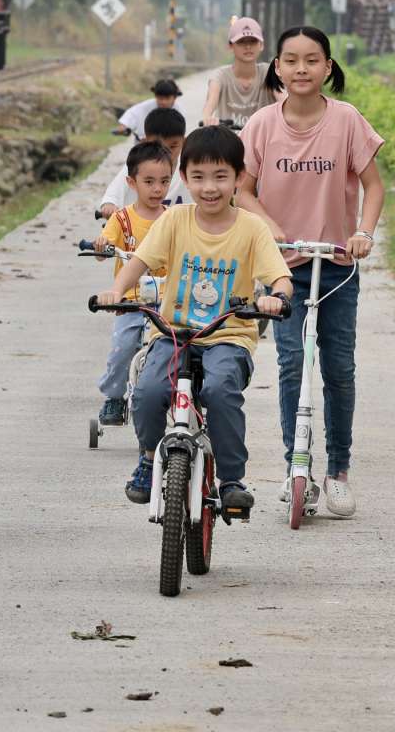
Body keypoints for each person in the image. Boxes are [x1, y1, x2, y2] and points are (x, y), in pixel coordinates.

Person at [100, 126, 292, 511]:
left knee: (221, 390)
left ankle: (232, 478)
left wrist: (277, 297)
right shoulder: (174, 220)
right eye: (199, 177)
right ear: (184, 179)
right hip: (173, 332)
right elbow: (139, 261)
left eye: (221, 177)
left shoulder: (252, 229)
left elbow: (280, 278)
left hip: (227, 335)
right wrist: (118, 290)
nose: (209, 188)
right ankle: (149, 459)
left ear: (239, 178)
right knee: (150, 391)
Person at [235, 25, 385, 520]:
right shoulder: (260, 125)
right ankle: (294, 465)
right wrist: (270, 227)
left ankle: (338, 471)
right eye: (291, 60)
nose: (302, 69)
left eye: (312, 60)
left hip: (337, 265)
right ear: (276, 67)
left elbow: (373, 185)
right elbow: (242, 189)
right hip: (283, 268)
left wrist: (363, 231)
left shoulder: (346, 121)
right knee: (293, 366)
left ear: (327, 67)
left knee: (339, 368)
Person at [90, 141, 176, 427]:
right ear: (131, 182)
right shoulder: (122, 218)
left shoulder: (172, 218)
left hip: (165, 302)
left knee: (173, 350)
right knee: (123, 348)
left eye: (164, 181)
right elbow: (106, 252)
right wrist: (103, 244)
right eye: (149, 181)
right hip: (130, 301)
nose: (157, 189)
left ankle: (175, 398)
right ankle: (114, 397)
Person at [96, 106, 187, 219]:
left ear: (184, 141)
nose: (166, 153)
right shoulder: (138, 164)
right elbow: (117, 187)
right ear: (145, 141)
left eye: (173, 146)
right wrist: (110, 203)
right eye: (158, 146)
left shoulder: (188, 168)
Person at [199, 16, 280, 127]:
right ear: (230, 46)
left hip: (263, 141)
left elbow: (283, 99)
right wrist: (207, 118)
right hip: (229, 141)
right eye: (241, 42)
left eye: (253, 41)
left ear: (261, 45)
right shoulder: (221, 75)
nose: (248, 46)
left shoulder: (270, 72)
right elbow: (210, 102)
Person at [114, 78, 182, 136]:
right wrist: (124, 126)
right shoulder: (145, 107)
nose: (163, 102)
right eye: (160, 98)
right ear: (155, 96)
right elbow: (132, 113)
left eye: (167, 98)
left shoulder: (178, 111)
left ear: (174, 98)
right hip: (143, 147)